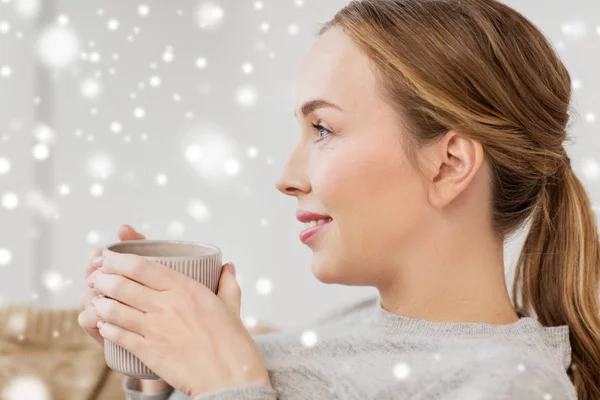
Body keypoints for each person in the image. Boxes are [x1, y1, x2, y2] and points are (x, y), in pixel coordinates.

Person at [79, 0, 600, 399]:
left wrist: (227, 380)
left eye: (323, 129)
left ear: (449, 165)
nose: (287, 177)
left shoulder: (506, 384)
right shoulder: (352, 329)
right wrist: (161, 364)